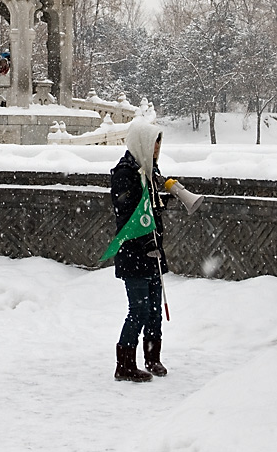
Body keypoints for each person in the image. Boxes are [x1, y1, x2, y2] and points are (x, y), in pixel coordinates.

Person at [110, 119, 168, 382]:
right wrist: (145, 241)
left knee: (155, 307)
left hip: (152, 251)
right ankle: (124, 365)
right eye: (154, 141)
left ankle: (152, 357)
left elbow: (153, 211)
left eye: (159, 141)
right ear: (143, 142)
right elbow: (127, 214)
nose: (157, 147)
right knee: (139, 309)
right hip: (134, 253)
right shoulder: (126, 172)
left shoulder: (148, 169)